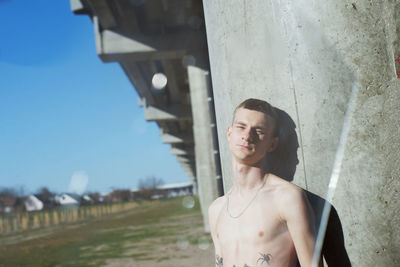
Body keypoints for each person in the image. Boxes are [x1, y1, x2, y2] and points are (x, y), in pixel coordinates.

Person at [208, 98, 317, 267]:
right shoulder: (216, 209)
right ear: (230, 134)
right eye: (241, 127)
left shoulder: (287, 198)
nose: (247, 135)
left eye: (258, 130)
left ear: (272, 144)